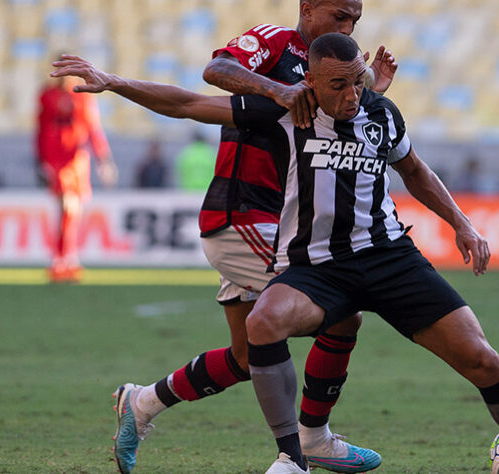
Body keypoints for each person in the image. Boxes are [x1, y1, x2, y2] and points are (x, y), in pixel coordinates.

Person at [52, 34, 499, 474]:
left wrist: (461, 223)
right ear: (310, 81)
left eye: (356, 83)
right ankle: (295, 457)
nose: (350, 96)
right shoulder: (285, 110)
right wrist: (114, 82)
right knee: (265, 322)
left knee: (483, 359)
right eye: (337, 86)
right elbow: (191, 102)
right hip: (319, 266)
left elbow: (414, 170)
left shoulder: (382, 113)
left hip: (390, 257)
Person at [57, 2, 396, 473]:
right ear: (308, 7)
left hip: (278, 222)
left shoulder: (332, 69)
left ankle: (141, 404)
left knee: (244, 357)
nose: (348, 27)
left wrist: (370, 88)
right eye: (340, 15)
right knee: (342, 312)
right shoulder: (277, 46)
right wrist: (114, 81)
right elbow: (207, 81)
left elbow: (346, 126)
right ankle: (310, 443)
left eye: (355, 20)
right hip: (244, 218)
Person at [36, 73, 117, 282]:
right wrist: (40, 161)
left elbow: (92, 127)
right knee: (67, 206)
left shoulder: (82, 94)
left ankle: (65, 259)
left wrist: (104, 159)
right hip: (56, 158)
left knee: (73, 211)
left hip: (77, 158)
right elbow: (41, 128)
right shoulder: (47, 95)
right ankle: (62, 259)